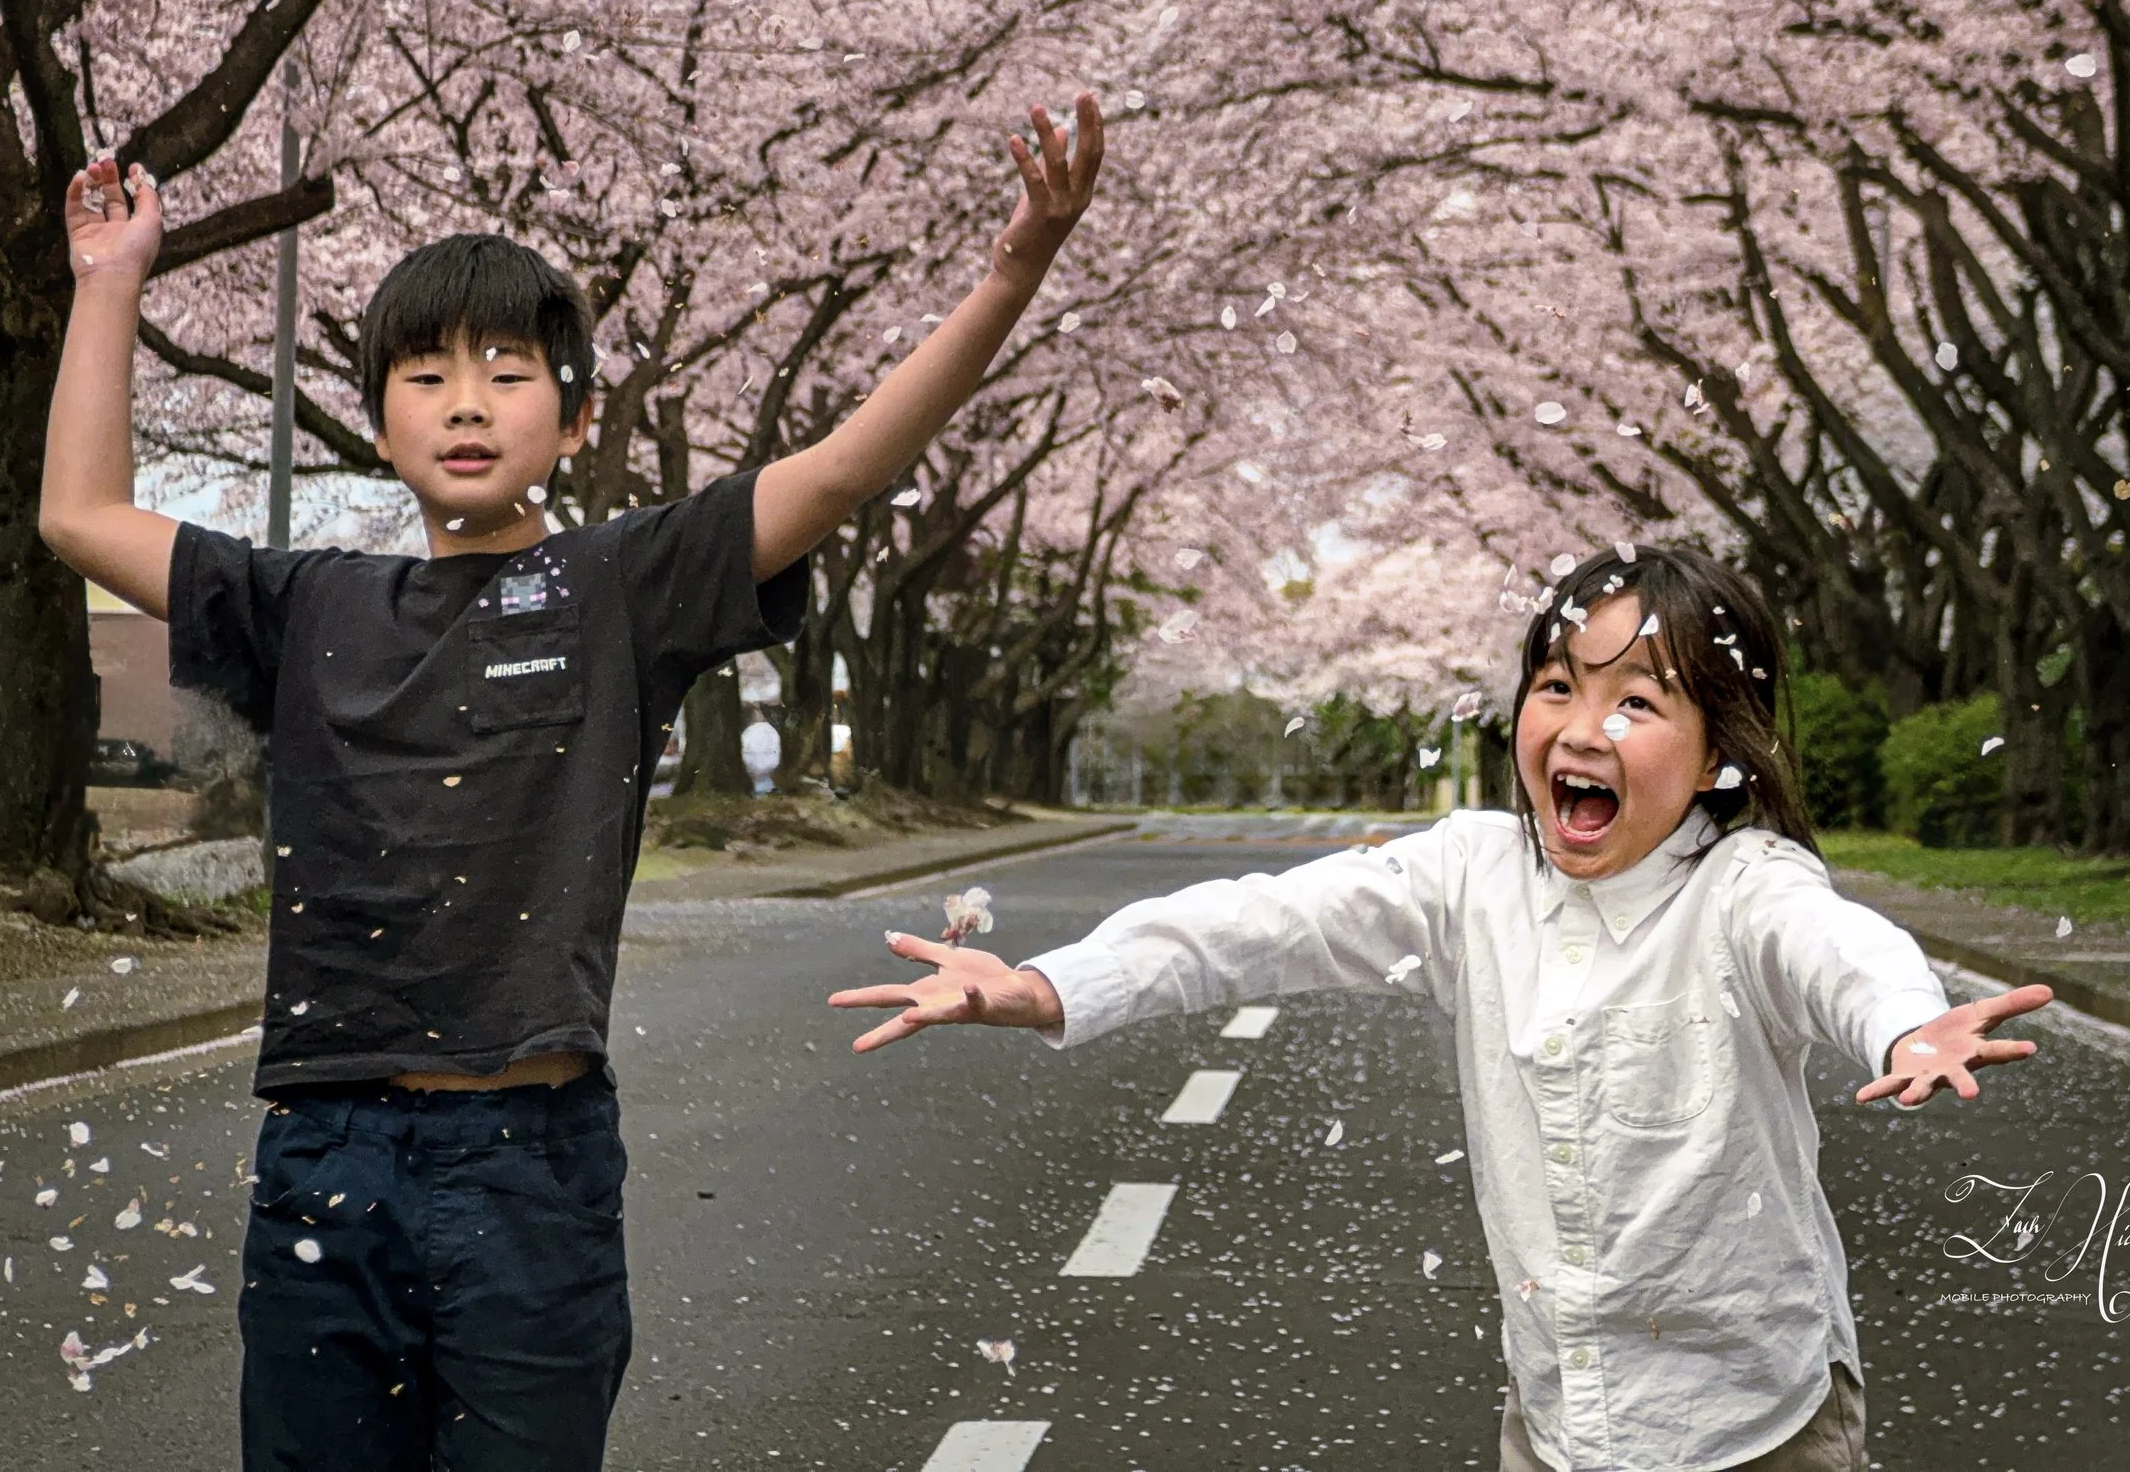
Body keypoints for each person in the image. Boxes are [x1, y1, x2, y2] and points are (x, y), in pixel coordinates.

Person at [37, 92, 1103, 1471]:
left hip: (527, 1162)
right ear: (378, 421)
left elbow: (843, 469)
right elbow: (79, 513)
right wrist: (111, 284)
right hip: (325, 1150)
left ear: (578, 411)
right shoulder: (306, 601)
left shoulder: (621, 586)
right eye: (423, 373)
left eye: (506, 368)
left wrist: (1013, 270)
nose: (466, 401)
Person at [831, 545, 2054, 1472]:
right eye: (1559, 686)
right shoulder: (1470, 873)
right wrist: (1049, 984)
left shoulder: (1744, 891)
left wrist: (1906, 1022)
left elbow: (1838, 950)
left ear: (1721, 748)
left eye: (1639, 703)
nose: (1583, 728)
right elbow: (1262, 921)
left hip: (1755, 1424)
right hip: (1560, 1414)